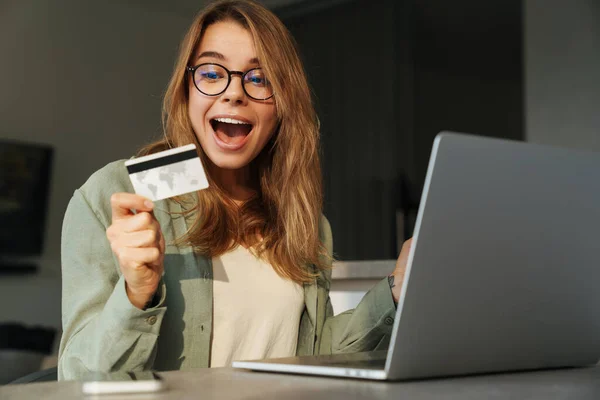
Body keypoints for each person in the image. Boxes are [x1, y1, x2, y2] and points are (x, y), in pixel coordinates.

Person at [58, 0, 412, 380]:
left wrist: (395, 290)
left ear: (282, 106)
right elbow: (77, 379)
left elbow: (313, 351)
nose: (234, 93)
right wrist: (135, 294)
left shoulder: (304, 221)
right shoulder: (111, 196)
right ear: (186, 91)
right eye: (211, 73)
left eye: (259, 79)